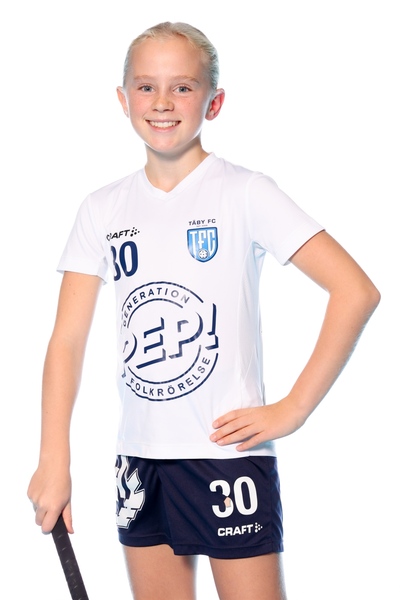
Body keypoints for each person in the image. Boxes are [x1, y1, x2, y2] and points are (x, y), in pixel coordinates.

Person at [27, 21, 380, 600]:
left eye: (183, 87)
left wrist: (294, 408)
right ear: (122, 99)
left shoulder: (245, 191)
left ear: (213, 102)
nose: (162, 102)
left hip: (226, 458)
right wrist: (53, 458)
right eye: (146, 87)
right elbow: (66, 341)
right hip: (140, 458)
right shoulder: (101, 208)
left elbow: (356, 291)